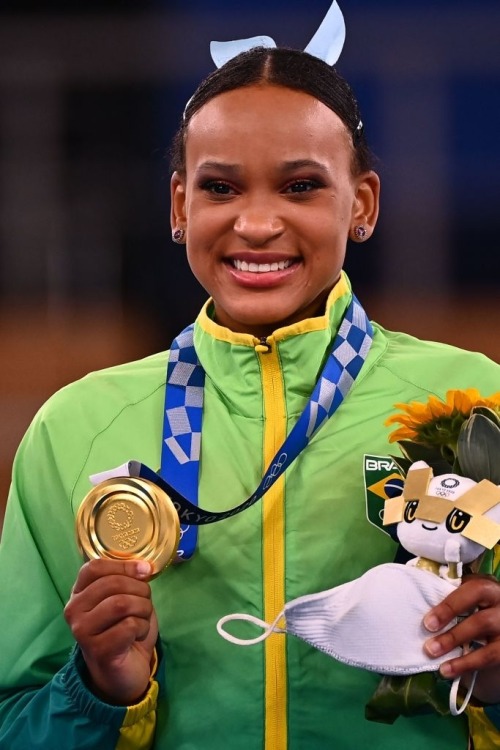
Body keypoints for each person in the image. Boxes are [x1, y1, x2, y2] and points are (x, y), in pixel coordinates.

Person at [1, 4, 500, 749]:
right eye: (221, 188)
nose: (257, 223)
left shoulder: (476, 405)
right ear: (179, 205)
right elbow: (15, 723)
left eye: (300, 186)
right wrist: (99, 688)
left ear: (361, 204)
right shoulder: (75, 427)